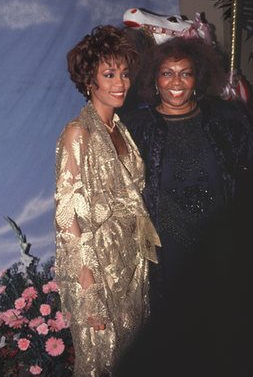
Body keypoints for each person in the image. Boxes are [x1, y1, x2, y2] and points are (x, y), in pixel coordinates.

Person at [121, 37, 253, 376]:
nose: (176, 83)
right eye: (167, 73)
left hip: (223, 246)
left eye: (185, 74)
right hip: (168, 253)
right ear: (154, 80)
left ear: (197, 77)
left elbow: (252, 171)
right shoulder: (137, 128)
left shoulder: (225, 118)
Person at [54, 25, 161, 376]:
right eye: (109, 74)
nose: (121, 83)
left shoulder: (120, 129)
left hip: (130, 263)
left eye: (125, 73)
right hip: (99, 267)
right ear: (89, 79)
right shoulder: (78, 133)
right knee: (102, 362)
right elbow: (68, 214)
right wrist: (88, 288)